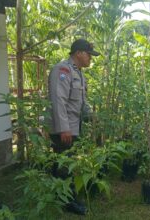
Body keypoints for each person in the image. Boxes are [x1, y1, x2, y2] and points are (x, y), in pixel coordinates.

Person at [47, 39, 100, 215]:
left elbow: (81, 102)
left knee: (67, 163)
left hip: (73, 127)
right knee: (64, 165)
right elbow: (59, 101)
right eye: (89, 55)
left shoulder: (79, 73)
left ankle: (59, 196)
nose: (90, 59)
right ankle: (67, 202)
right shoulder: (62, 70)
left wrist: (93, 117)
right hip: (64, 129)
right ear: (78, 53)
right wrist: (64, 128)